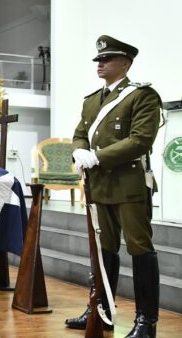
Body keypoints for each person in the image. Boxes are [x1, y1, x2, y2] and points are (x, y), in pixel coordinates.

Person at [66, 35, 162, 337]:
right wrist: (79, 150)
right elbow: (80, 133)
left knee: (140, 250)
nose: (100, 64)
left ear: (125, 63)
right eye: (98, 60)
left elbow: (140, 140)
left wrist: (97, 156)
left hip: (130, 185)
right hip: (99, 186)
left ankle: (146, 321)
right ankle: (101, 311)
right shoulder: (91, 100)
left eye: (106, 59)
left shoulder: (142, 96)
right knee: (103, 250)